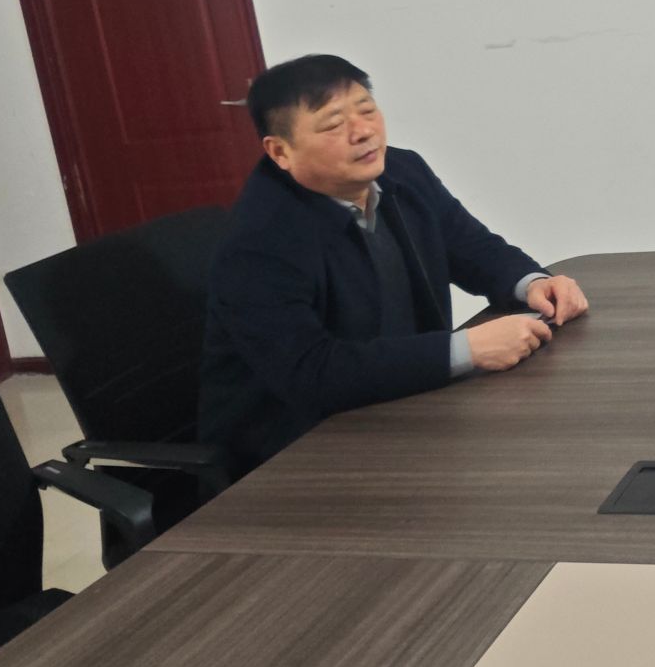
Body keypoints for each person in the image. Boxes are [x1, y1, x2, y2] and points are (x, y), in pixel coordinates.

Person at [199, 54, 588, 476]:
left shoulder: (403, 171)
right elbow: (312, 373)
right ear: (281, 151)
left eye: (367, 110)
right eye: (333, 125)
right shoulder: (259, 240)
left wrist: (531, 282)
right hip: (294, 458)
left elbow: (472, 247)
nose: (363, 132)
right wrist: (468, 350)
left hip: (406, 412)